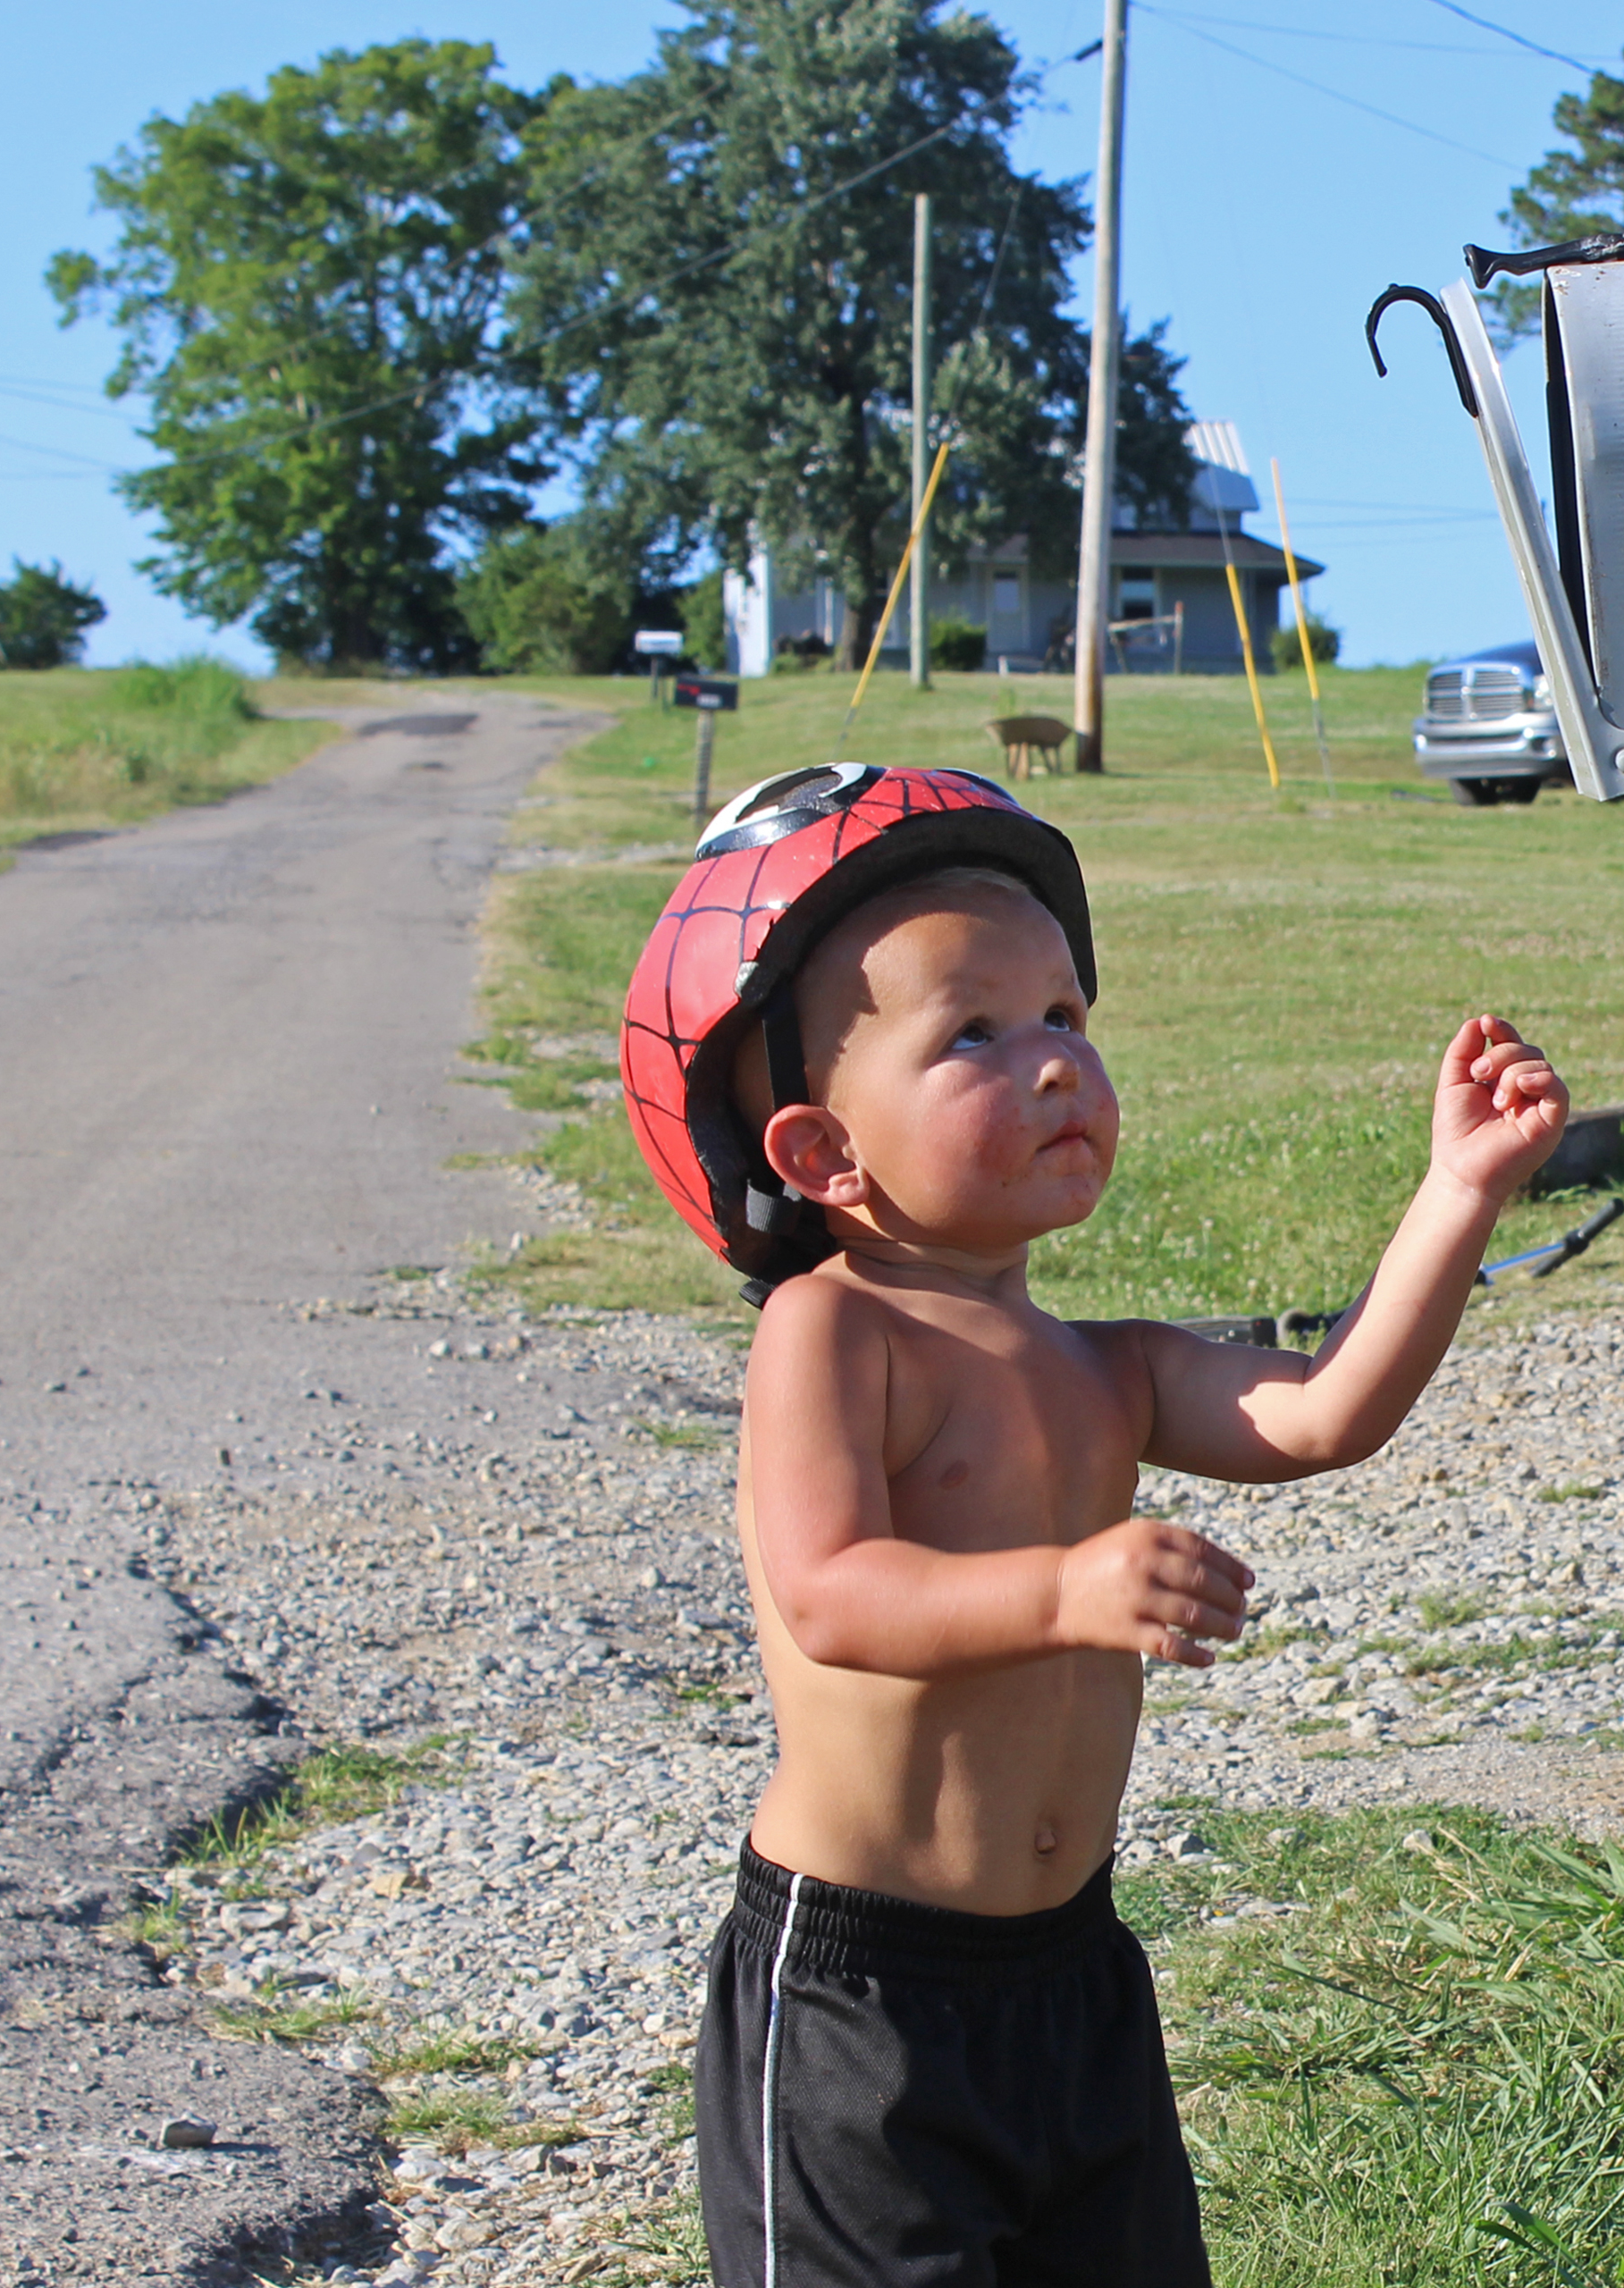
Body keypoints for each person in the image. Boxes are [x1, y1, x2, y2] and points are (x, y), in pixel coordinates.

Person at [616, 764, 1568, 2285]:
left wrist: (1457, 1192)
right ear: (820, 1156)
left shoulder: (1101, 1365)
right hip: (868, 2001)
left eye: (1066, 1018)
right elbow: (834, 1598)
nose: (1058, 1064)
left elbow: (1324, 1412)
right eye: (976, 1035)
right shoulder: (832, 1333)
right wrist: (1064, 1585)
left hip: (1070, 1976)